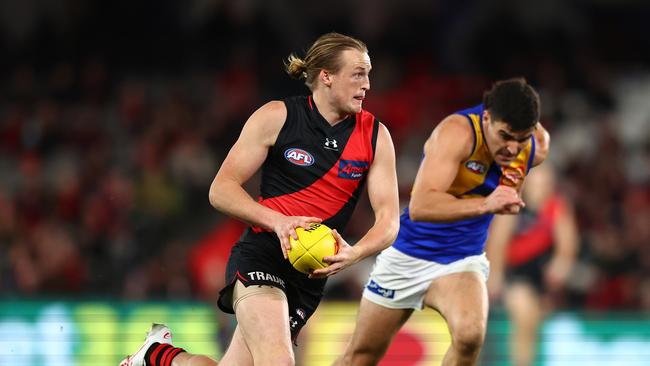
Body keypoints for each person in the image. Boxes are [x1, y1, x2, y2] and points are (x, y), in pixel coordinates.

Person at [119, 32, 400, 366]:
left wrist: (356, 253)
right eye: (357, 73)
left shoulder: (376, 136)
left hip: (309, 279)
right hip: (262, 256)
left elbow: (389, 221)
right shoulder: (277, 117)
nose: (367, 83)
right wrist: (277, 222)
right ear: (326, 76)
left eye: (368, 74)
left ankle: (158, 355)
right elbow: (220, 190)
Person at [335, 78, 550, 366]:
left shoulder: (536, 146)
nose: (512, 148)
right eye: (505, 136)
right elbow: (421, 206)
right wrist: (488, 203)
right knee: (360, 357)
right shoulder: (457, 133)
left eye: (521, 139)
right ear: (487, 118)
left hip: (461, 260)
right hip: (408, 255)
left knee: (470, 335)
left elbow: (521, 164)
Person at [485, 163, 578, 366]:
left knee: (536, 317)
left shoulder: (557, 207)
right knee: (524, 309)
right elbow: (497, 243)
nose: (540, 189)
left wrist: (561, 265)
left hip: (542, 280)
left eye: (545, 184)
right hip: (514, 276)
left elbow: (567, 246)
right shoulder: (513, 206)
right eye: (536, 183)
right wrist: (496, 277)